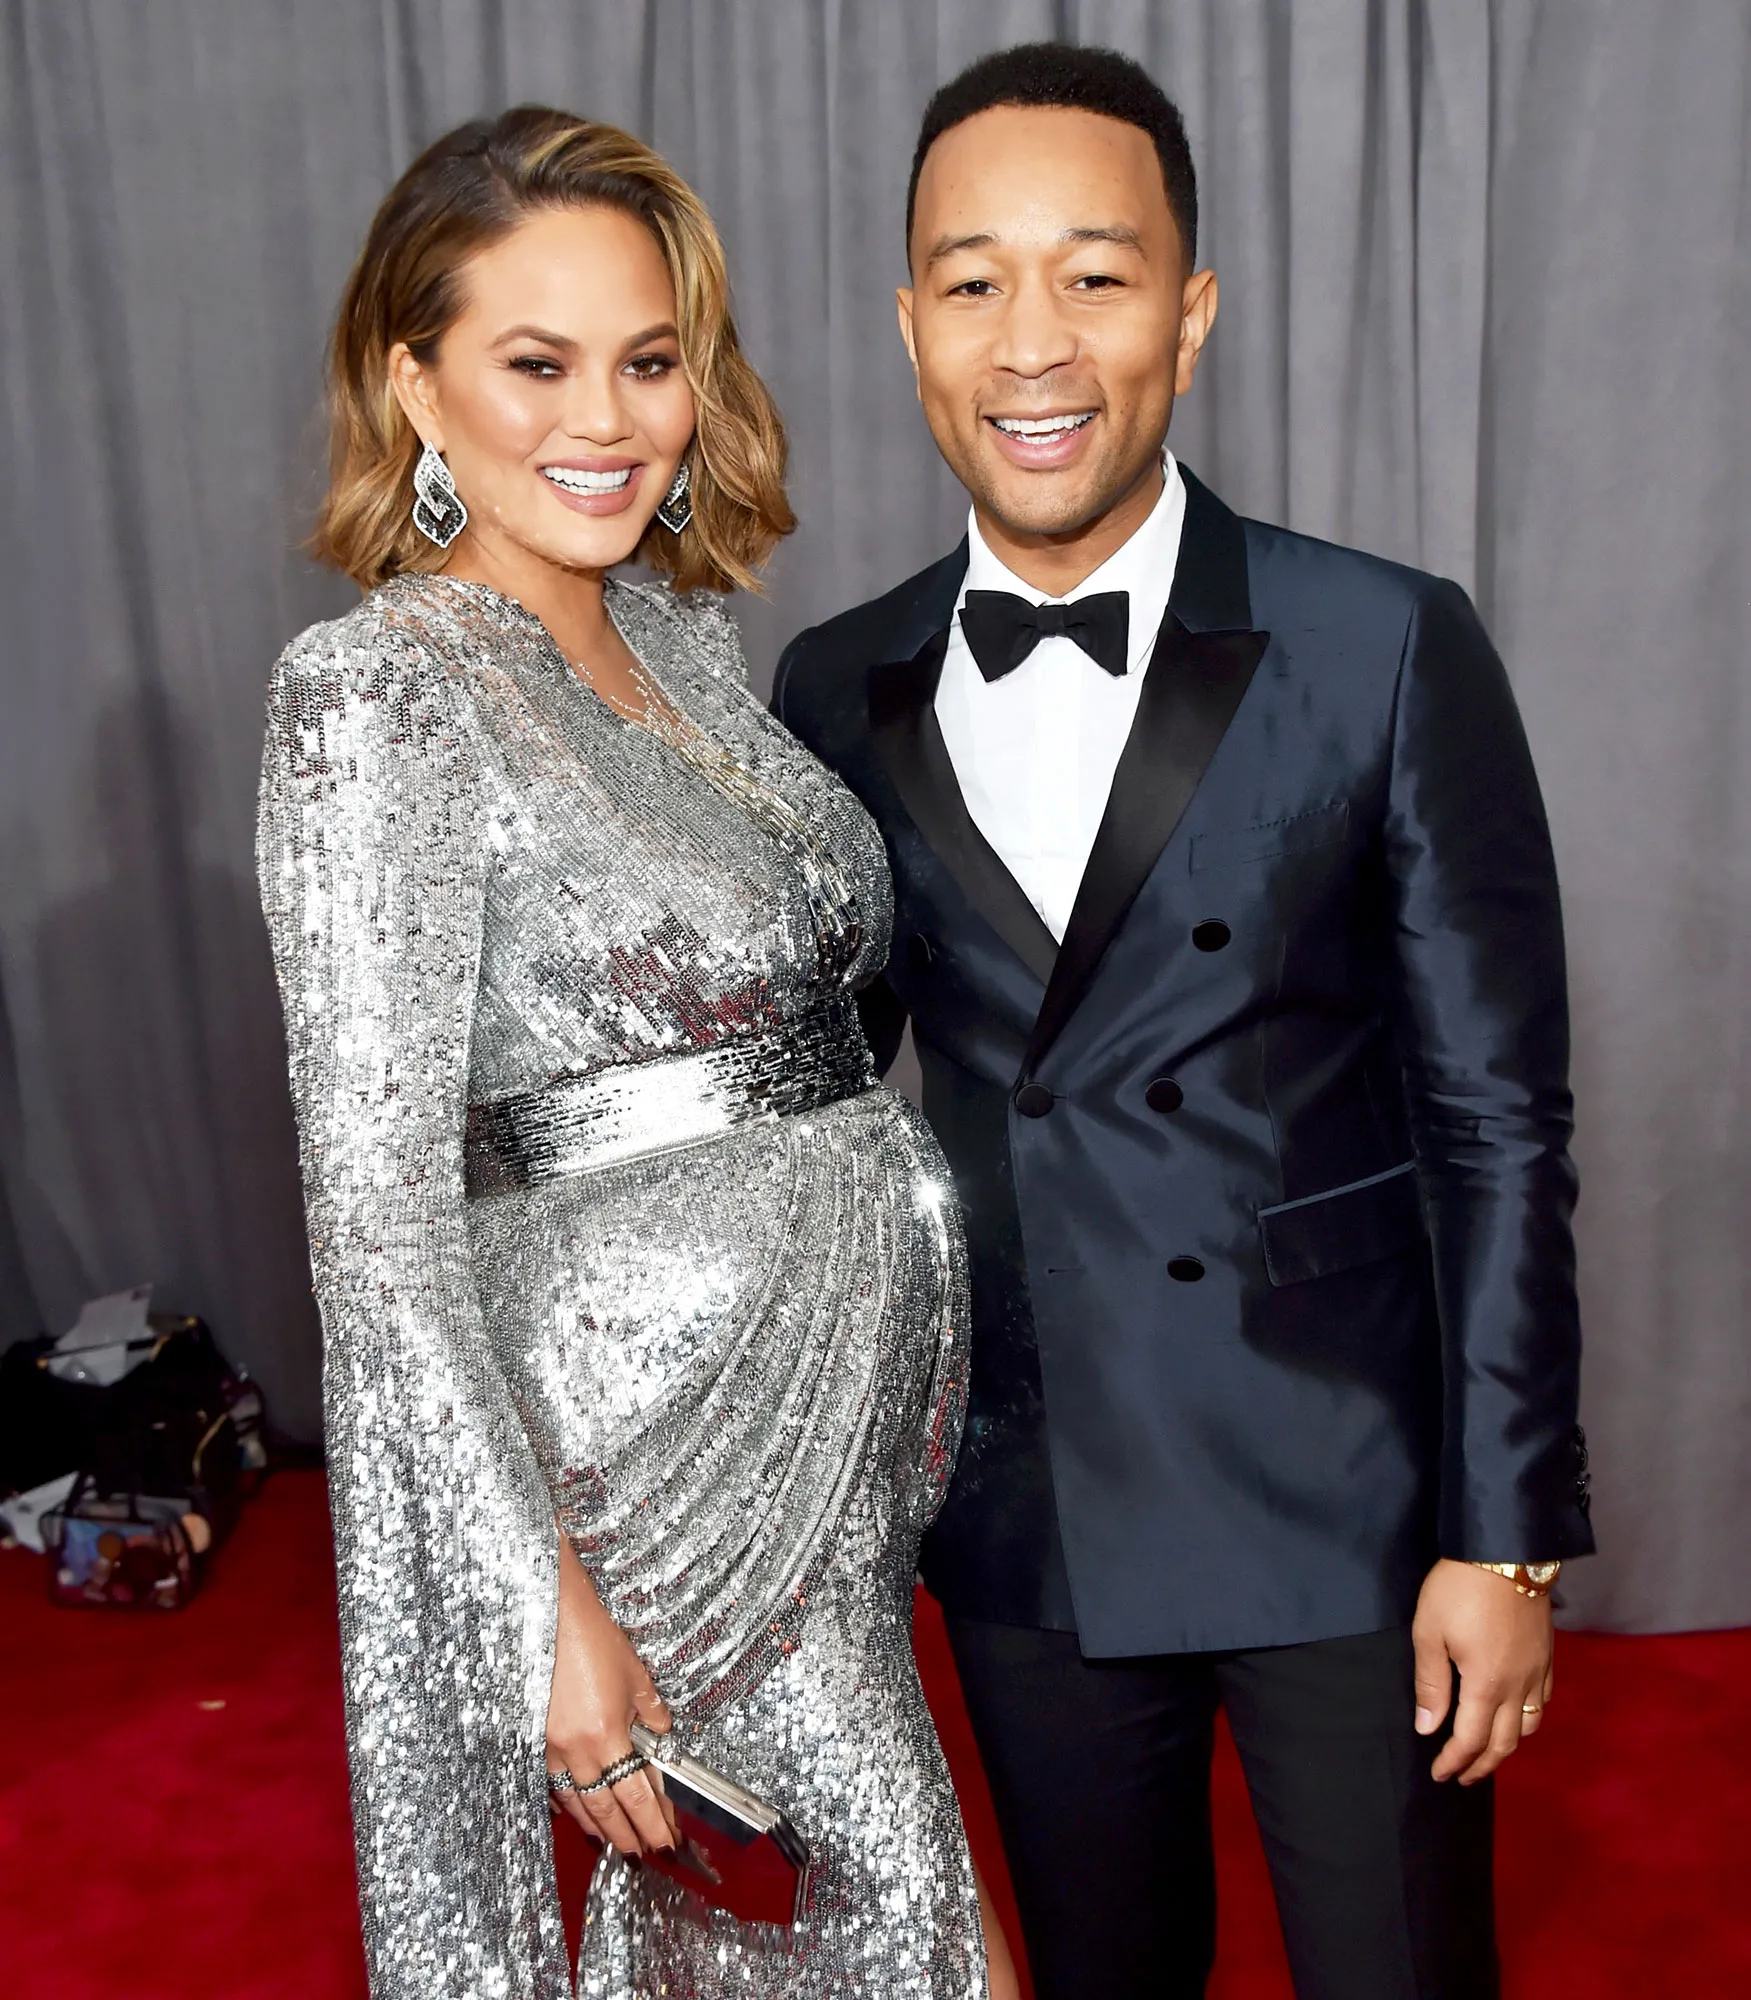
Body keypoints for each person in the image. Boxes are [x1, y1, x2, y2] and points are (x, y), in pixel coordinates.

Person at [774, 42, 1594, 2000]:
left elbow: (1497, 1117)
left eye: (1095, 273)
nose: (1031, 340)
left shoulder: (1381, 639)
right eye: (971, 281)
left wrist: (1506, 1532)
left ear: (1190, 313)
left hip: (1342, 1497)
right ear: (907, 329)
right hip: (1024, 1505)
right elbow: (808, 1129)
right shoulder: (830, 679)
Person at [258, 106, 1016, 2000]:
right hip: (640, 1485)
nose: (608, 418)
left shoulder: (676, 644)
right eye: (536, 363)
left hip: (830, 1452)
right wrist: (543, 1610)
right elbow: (379, 1227)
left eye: (649, 360)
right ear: (412, 382)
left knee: (864, 1941)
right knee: (930, 1942)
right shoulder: (375, 698)